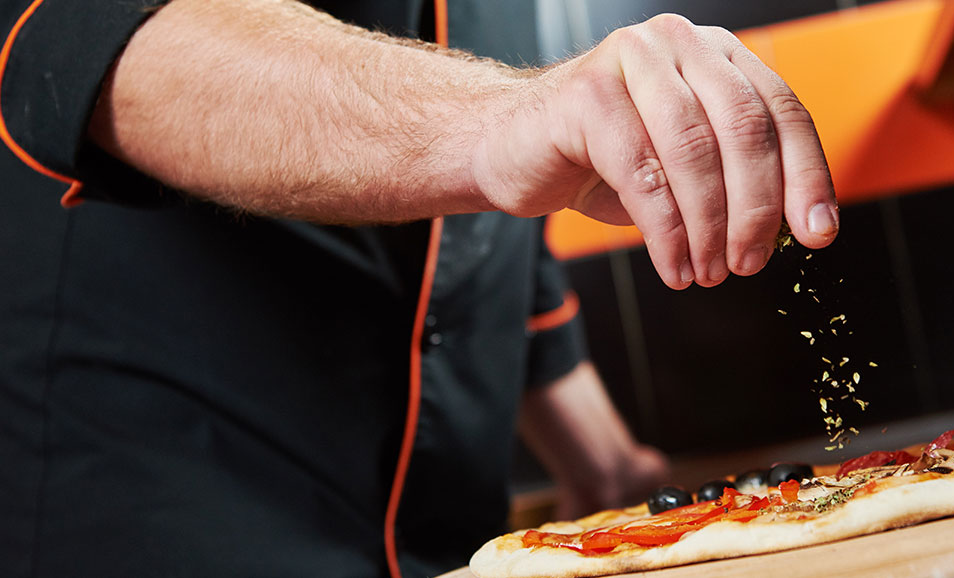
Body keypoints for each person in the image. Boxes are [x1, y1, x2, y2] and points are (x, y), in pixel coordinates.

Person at [0, 0, 838, 576]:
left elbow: (488, 225)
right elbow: (94, 43)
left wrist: (606, 467)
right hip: (161, 522)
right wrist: (503, 116)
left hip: (446, 545)